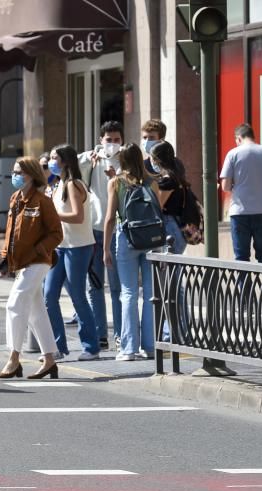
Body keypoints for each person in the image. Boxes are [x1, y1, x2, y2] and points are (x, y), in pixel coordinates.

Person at [0, 156, 63, 380]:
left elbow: (57, 234)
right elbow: (10, 233)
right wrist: (6, 258)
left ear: (31, 175)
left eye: (20, 172)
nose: (15, 176)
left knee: (14, 304)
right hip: (21, 263)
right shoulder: (15, 199)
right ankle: (49, 360)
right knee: (36, 312)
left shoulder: (43, 201)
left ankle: (14, 357)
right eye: (14, 171)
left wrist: (38, 249)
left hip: (38, 261)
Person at [44, 145, 100, 360]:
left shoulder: (74, 185)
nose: (51, 162)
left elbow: (78, 216)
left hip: (78, 247)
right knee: (49, 295)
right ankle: (57, 346)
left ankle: (91, 347)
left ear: (65, 161)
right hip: (60, 246)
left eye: (54, 158)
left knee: (77, 296)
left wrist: (53, 215)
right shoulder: (57, 185)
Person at [103, 143, 159, 361]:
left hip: (126, 239)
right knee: (149, 294)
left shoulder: (115, 183)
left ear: (122, 161)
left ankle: (129, 349)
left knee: (128, 293)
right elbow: (158, 214)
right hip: (151, 240)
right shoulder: (152, 182)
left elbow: (109, 219)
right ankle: (150, 346)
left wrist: (106, 248)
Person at [78, 121, 123, 350]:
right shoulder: (92, 159)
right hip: (95, 229)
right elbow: (71, 166)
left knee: (117, 287)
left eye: (117, 140)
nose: (113, 144)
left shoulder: (126, 160)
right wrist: (90, 157)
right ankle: (100, 334)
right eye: (109, 140)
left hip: (118, 230)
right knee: (95, 285)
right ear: (100, 140)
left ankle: (120, 333)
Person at [219, 123, 262, 264]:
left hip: (240, 212)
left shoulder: (233, 154)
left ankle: (245, 286)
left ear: (238, 138)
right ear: (253, 136)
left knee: (241, 257)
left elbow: (225, 186)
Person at [149, 141, 188, 255]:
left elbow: (158, 205)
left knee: (170, 268)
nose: (151, 161)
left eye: (151, 158)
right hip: (177, 224)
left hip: (170, 226)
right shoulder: (177, 176)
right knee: (174, 267)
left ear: (157, 159)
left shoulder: (167, 180)